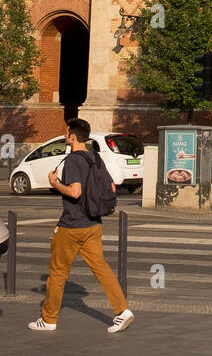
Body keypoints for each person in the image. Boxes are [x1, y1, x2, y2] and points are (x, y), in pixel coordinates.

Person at [28, 119, 134, 334]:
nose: (66, 136)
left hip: (72, 225)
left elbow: (75, 192)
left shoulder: (74, 160)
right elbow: (111, 186)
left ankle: (48, 319)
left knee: (57, 273)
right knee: (101, 267)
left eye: (67, 133)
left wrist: (55, 183)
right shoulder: (96, 158)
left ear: (73, 136)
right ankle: (122, 310)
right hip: (93, 224)